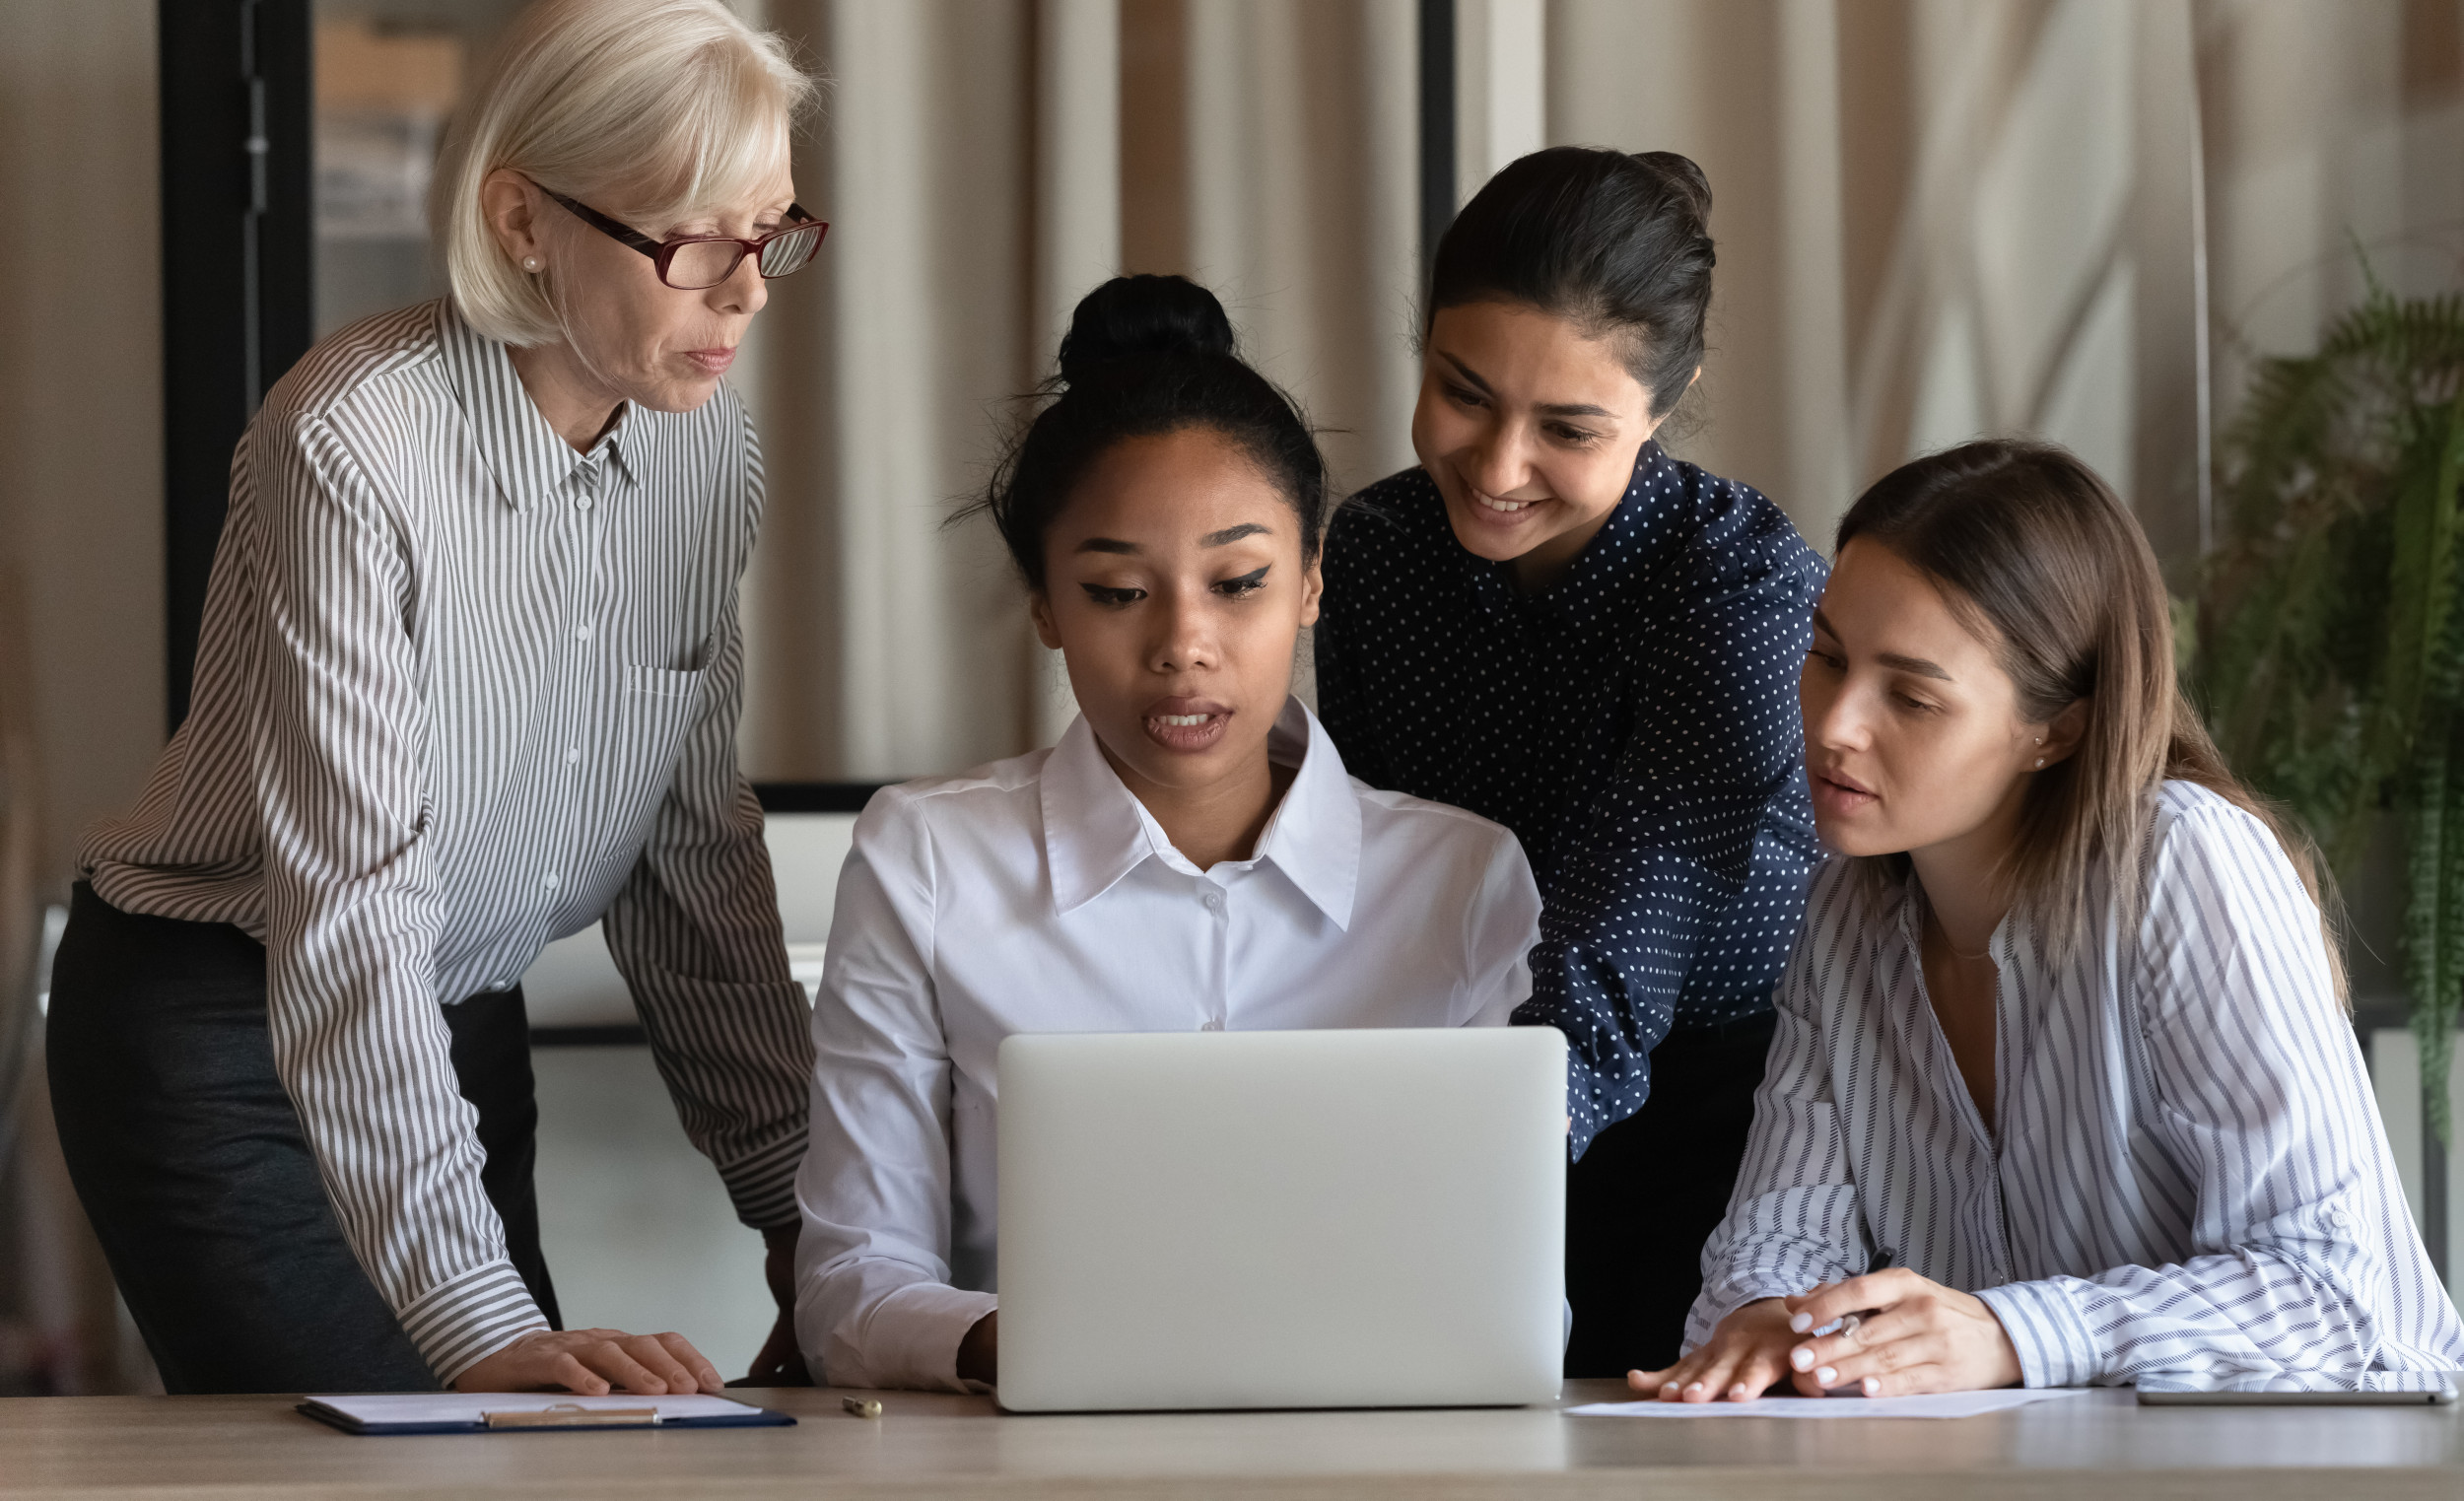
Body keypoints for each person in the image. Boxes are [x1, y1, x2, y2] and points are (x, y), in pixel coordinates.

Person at [48, 0, 825, 1396]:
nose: (747, 291)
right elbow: (351, 904)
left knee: (537, 1437)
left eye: (771, 233)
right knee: (419, 1434)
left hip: (453, 1006)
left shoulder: (713, 455)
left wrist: (804, 1217)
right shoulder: (348, 444)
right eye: (692, 241)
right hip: (219, 1020)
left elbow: (691, 851)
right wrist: (480, 1318)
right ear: (522, 218)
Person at [792, 276, 1543, 1393]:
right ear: (1043, 604)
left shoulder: (1462, 876)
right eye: (1113, 592)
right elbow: (852, 1284)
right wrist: (1049, 1343)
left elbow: (1519, 1278)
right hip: (1033, 1458)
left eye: (1239, 581)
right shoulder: (930, 861)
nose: (1183, 643)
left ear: (1312, 581)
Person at [1640, 439, 2464, 1400]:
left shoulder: (2183, 860)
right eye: (1826, 656)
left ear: (2055, 728)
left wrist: (2007, 1330)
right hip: (2041, 1466)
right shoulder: (1847, 907)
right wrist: (1767, 1322)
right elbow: (1776, 1241)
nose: (1834, 724)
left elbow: (2328, 1287)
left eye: (1910, 694)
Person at [1313, 147, 1824, 1375]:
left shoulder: (1740, 587)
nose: (1494, 467)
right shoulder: (1379, 550)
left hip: (1738, 1120)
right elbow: (1376, 852)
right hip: (1462, 1089)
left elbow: (1643, 887)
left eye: (1568, 428)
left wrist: (1498, 1141)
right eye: (1461, 391)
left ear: (1667, 398)